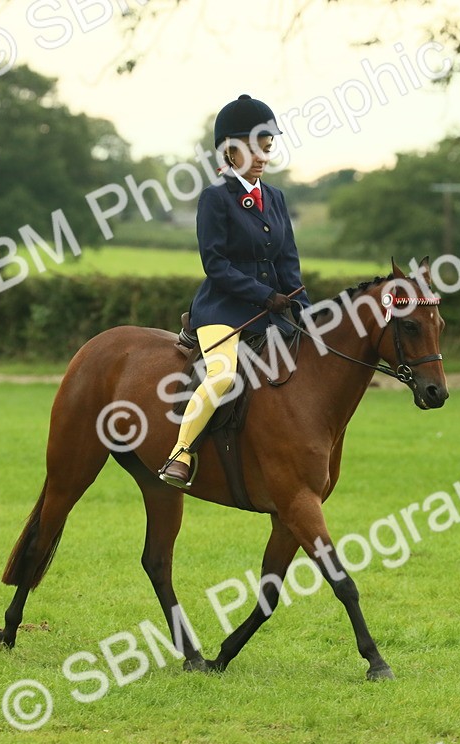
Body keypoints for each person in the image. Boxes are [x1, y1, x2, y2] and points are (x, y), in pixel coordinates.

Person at [159, 94, 311, 488]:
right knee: (223, 377)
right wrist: (264, 295)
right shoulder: (215, 198)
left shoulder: (276, 198)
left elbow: (288, 263)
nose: (263, 156)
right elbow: (216, 265)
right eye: (255, 148)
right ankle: (181, 453)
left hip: (272, 312)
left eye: (267, 147)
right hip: (223, 308)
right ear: (231, 150)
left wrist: (307, 312)